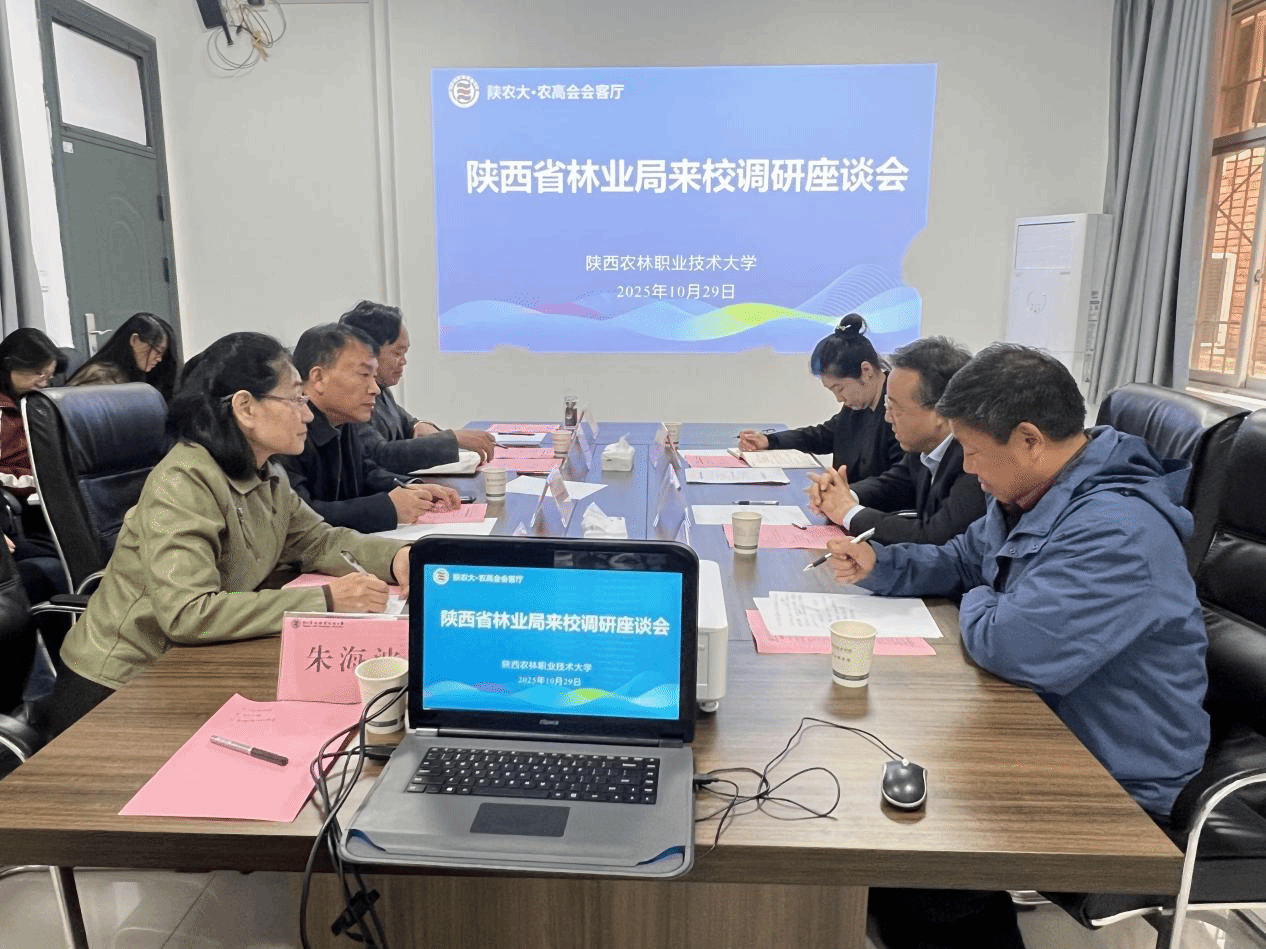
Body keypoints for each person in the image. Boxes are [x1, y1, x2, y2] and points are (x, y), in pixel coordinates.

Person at [826, 343, 1209, 949]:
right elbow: (962, 558)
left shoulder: (1115, 530)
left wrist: (981, 596)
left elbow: (1008, 646)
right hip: (1041, 730)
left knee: (919, 869)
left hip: (1113, 776)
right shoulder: (1033, 494)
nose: (968, 467)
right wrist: (882, 564)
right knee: (869, 817)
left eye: (974, 450)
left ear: (1029, 439)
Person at [46, 332, 411, 739]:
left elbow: (317, 541)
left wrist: (397, 558)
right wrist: (325, 600)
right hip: (121, 687)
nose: (307, 415)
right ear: (245, 407)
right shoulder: (185, 481)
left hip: (191, 666)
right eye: (296, 399)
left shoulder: (266, 472)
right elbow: (187, 613)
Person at [281, 323, 461, 533]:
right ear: (318, 378)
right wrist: (388, 508)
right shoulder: (286, 431)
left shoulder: (342, 420)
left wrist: (411, 488)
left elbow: (366, 472)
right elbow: (300, 518)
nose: (375, 389)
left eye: (374, 377)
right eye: (364, 375)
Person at [807, 336, 986, 545]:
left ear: (940, 413)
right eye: (886, 406)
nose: (887, 417)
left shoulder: (974, 462)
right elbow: (894, 483)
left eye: (896, 409)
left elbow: (933, 537)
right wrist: (844, 494)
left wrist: (849, 512)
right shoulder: (926, 447)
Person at [737, 313, 902, 480]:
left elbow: (897, 481)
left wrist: (846, 492)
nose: (839, 399)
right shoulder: (858, 404)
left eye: (840, 388)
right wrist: (770, 441)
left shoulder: (899, 410)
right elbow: (823, 436)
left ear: (866, 371)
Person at [338, 300, 496, 469]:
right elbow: (379, 455)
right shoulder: (350, 399)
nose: (404, 361)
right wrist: (452, 439)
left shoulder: (381, 389)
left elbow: (406, 423)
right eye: (397, 353)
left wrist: (418, 425)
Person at [0, 327, 64, 500]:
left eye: (49, 376)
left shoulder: (33, 401)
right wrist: (42, 483)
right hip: (21, 497)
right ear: (10, 365)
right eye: (38, 373)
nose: (44, 384)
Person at [67, 312, 180, 401]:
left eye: (163, 353)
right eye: (157, 350)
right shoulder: (100, 376)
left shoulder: (138, 373)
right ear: (134, 340)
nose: (159, 359)